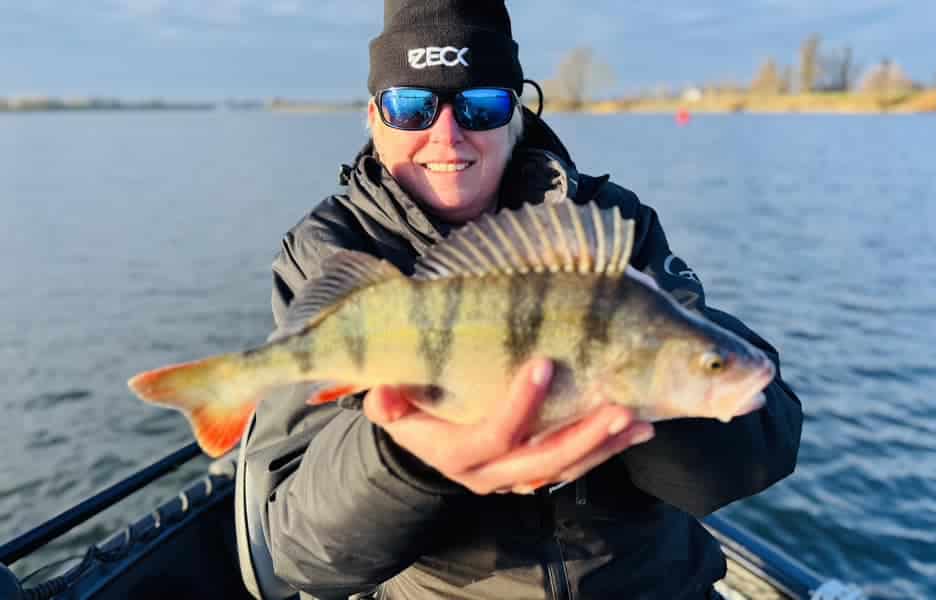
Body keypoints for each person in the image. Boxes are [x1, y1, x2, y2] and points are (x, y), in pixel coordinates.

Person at [234, 2, 803, 599]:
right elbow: (299, 552)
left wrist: (636, 395)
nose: (447, 135)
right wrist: (402, 458)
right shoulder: (327, 253)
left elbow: (755, 453)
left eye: (481, 104)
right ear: (374, 117)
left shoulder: (608, 229)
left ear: (517, 115)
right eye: (411, 106)